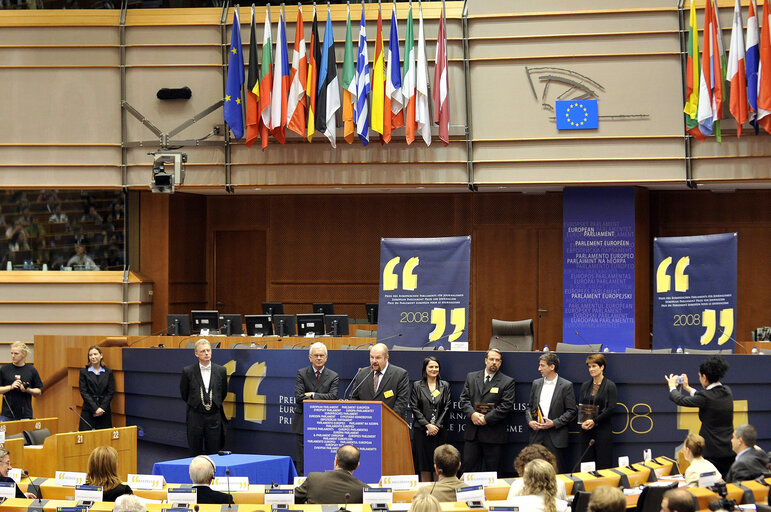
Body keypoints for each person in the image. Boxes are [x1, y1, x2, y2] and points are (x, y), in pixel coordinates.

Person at [666, 356, 734, 476]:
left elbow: (680, 399)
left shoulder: (706, 397)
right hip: (729, 451)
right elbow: (705, 397)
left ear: (704, 377)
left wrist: (672, 387)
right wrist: (687, 388)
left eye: (699, 376)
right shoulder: (727, 391)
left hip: (712, 453)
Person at [458, 348, 516, 472]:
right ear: (486, 360)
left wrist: (486, 418)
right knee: (469, 472)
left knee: (493, 473)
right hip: (473, 434)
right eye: (491, 359)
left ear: (500, 363)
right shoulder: (472, 377)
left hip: (493, 434)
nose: (494, 362)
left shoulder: (507, 381)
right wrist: (472, 414)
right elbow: (464, 399)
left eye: (497, 360)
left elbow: (506, 406)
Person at [293, 342, 340, 475]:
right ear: (310, 357)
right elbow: (299, 397)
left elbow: (333, 397)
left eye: (321, 355)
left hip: (324, 423)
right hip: (303, 422)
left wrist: (312, 395)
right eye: (316, 355)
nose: (319, 358)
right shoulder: (301, 373)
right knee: (302, 459)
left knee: (322, 458)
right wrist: (321, 397)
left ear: (326, 357)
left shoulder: (333, 376)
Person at [525, 353, 576, 472]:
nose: (539, 369)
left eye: (542, 366)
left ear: (552, 367)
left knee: (556, 471)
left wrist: (554, 423)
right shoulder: (536, 383)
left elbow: (572, 411)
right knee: (534, 471)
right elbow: (529, 408)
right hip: (537, 435)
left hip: (556, 436)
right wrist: (530, 422)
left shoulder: (566, 385)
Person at [180, 339, 229, 456]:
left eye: (208, 350)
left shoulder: (221, 370)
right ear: (196, 354)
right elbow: (184, 394)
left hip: (214, 416)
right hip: (195, 415)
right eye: (203, 351)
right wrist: (198, 404)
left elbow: (223, 392)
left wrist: (214, 404)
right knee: (194, 449)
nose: (206, 353)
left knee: (214, 450)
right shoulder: (188, 371)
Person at [410, 356, 452, 481]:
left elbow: (447, 407)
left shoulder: (445, 385)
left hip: (439, 431)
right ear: (425, 368)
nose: (434, 369)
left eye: (436, 367)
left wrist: (436, 426)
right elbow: (414, 407)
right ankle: (425, 494)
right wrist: (427, 425)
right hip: (422, 432)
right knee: (423, 465)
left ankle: (437, 492)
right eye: (431, 367)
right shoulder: (417, 385)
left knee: (438, 463)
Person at [578, 353, 618, 470]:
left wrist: (594, 420)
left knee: (603, 464)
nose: (591, 369)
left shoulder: (610, 385)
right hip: (586, 430)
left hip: (602, 431)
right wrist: (583, 422)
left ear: (602, 367)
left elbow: (610, 408)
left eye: (594, 366)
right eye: (589, 367)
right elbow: (581, 406)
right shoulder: (585, 385)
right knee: (587, 465)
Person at [350, 343, 410, 419]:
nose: (374, 361)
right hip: (365, 422)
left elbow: (401, 403)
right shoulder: (362, 373)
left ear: (387, 357)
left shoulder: (400, 374)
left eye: (378, 358)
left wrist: (386, 420)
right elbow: (353, 398)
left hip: (389, 423)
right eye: (372, 357)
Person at [294, 444, 366, 504]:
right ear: (357, 466)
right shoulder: (363, 490)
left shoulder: (313, 479)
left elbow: (292, 498)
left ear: (336, 461)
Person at [0, 341, 43, 421]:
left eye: (16, 354)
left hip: (25, 414)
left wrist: (27, 390)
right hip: (7, 414)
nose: (13, 356)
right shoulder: (4, 369)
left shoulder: (31, 370)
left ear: (24, 354)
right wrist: (10, 387)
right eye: (11, 353)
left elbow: (38, 392)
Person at [79, 345, 115, 430]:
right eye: (90, 355)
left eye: (95, 354)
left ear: (101, 355)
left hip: (104, 410)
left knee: (104, 438)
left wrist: (101, 408)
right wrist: (95, 409)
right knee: (87, 438)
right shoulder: (84, 372)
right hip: (88, 410)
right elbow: (83, 392)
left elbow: (110, 392)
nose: (93, 357)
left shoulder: (108, 372)